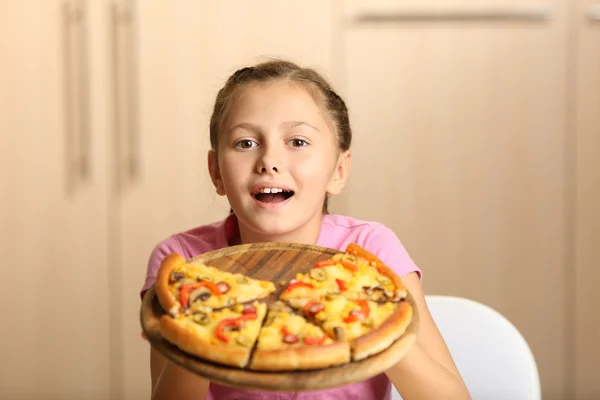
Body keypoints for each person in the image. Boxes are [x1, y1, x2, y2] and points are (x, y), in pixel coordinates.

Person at [141, 59, 471, 400]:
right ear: (216, 172)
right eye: (245, 143)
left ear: (338, 171)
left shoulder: (372, 252)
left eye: (297, 142)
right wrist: (196, 318)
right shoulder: (182, 263)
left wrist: (374, 320)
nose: (269, 161)